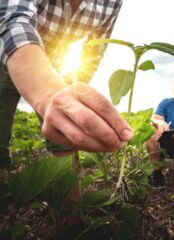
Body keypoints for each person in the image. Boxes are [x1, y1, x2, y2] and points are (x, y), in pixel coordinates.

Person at [0, 0, 133, 168]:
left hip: (55, 63)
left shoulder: (112, 2)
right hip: (8, 52)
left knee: (66, 136)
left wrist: (74, 94)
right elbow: (13, 22)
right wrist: (48, 93)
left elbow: (93, 51)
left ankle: (68, 190)